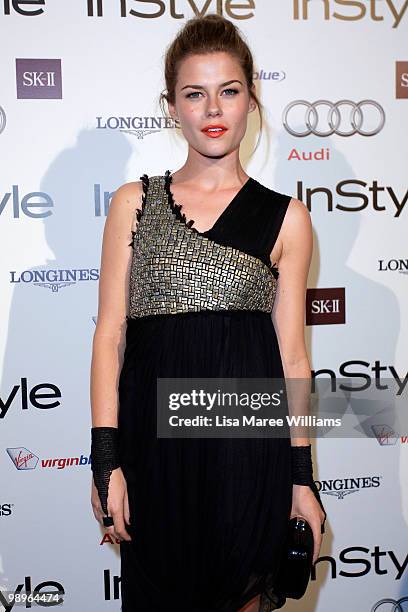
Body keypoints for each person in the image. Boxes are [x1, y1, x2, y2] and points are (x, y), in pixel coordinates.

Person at [89, 13, 326, 612]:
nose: (212, 108)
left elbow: (293, 357)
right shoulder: (133, 204)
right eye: (194, 94)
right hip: (153, 452)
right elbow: (111, 336)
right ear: (172, 106)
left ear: (251, 100)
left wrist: (302, 479)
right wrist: (106, 460)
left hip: (249, 453)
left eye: (229, 90)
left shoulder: (287, 218)